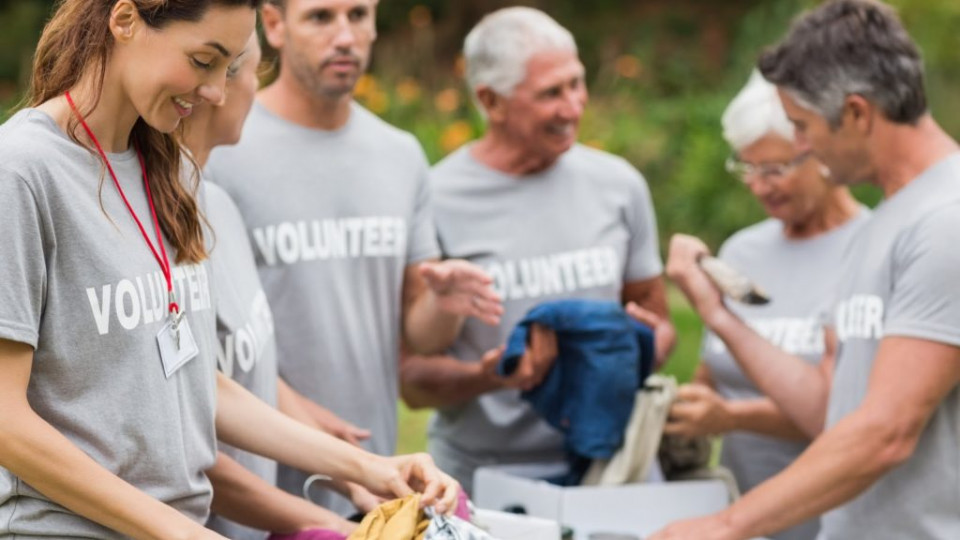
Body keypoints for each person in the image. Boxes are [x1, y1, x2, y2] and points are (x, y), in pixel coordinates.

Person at [0, 1, 458, 537]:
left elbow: (196, 381)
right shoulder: (22, 171)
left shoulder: (167, 172)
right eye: (203, 60)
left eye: (230, 66)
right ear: (124, 21)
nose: (217, 90)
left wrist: (371, 467)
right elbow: (7, 420)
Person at [651, 1, 960, 539]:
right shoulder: (880, 223)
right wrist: (717, 315)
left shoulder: (946, 222)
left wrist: (727, 525)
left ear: (858, 113)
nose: (799, 146)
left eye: (801, 126)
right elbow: (827, 410)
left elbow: (887, 432)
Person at [204, 0, 501, 515]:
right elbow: (210, 344)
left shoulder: (400, 153)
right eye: (321, 17)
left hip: (379, 479)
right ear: (273, 24)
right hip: (256, 484)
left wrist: (444, 302)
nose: (345, 36)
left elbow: (422, 338)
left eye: (358, 16)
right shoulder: (221, 144)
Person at [399, 6, 676, 493]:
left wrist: (637, 345)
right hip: (483, 478)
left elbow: (661, 325)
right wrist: (491, 377)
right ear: (491, 100)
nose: (574, 107)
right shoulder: (434, 196)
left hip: (610, 470)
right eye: (551, 93)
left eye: (577, 83)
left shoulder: (618, 185)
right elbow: (413, 379)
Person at [661, 71, 868, 540]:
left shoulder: (867, 248)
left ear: (820, 151)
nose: (758, 186)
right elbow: (714, 373)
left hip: (830, 521)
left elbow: (849, 416)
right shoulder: (741, 253)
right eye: (747, 168)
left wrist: (733, 418)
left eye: (774, 169)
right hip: (740, 515)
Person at [183, 35, 358, 538]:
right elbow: (184, 437)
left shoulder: (219, 206)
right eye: (256, 75)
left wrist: (351, 467)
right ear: (215, 82)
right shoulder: (157, 226)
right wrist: (319, 516)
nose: (257, 95)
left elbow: (239, 367)